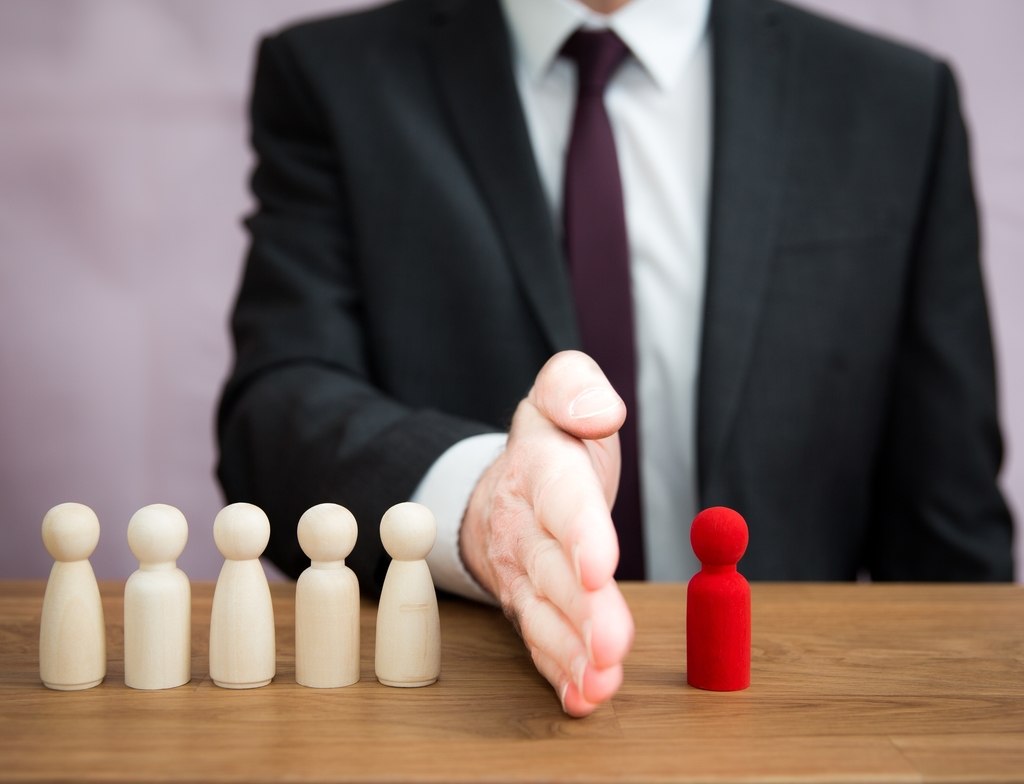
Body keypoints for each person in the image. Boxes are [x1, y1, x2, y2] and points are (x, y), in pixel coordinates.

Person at [217, 0, 1015, 716]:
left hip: (794, 728)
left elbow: (951, 524)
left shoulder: (894, 100)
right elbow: (279, 413)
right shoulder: (333, 78)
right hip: (458, 721)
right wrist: (485, 502)